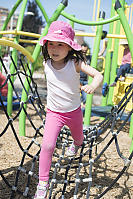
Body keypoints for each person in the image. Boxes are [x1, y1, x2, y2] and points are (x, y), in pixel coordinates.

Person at [34, 21, 103, 199]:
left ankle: (76, 144)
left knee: (79, 139)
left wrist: (93, 85)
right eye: (51, 44)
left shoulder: (75, 63)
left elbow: (98, 75)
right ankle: (43, 183)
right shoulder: (46, 63)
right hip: (54, 113)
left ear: (69, 47)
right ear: (46, 45)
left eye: (60, 44)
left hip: (73, 112)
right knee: (48, 145)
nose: (54, 49)